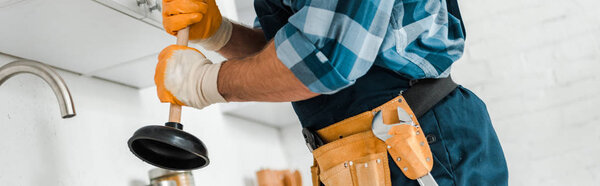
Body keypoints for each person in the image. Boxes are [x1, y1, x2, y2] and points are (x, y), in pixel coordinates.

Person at [156, 0, 508, 185]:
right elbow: (287, 49)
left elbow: (326, 59)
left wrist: (204, 83)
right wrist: (220, 35)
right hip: (361, 153)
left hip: (414, 148)